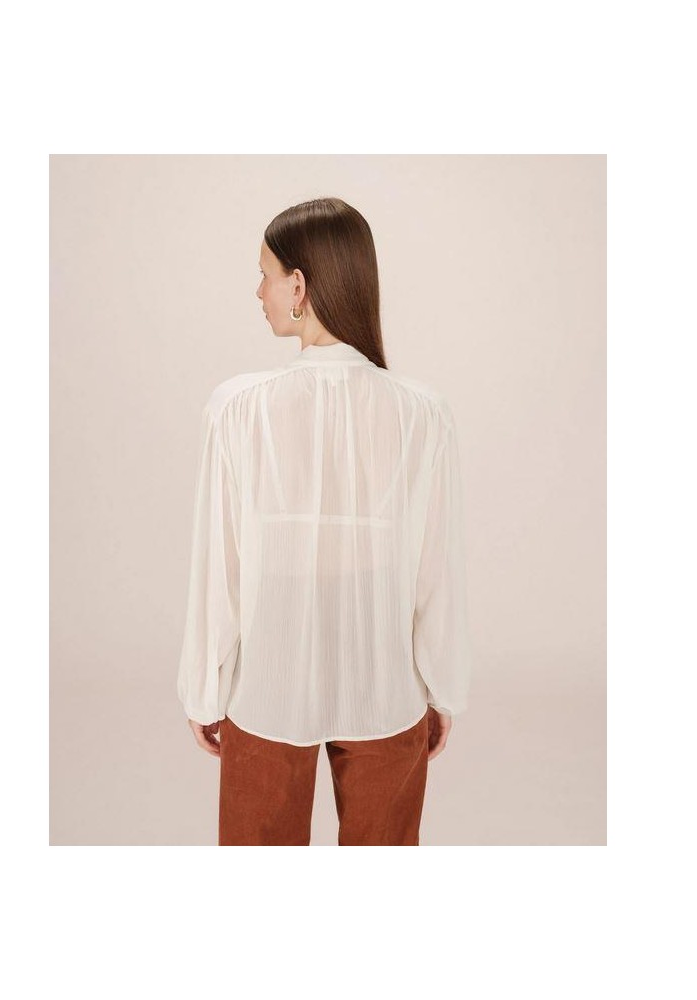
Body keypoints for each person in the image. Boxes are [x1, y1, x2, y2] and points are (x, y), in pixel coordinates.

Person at [177, 196, 472, 845]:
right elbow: (436, 569)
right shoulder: (422, 411)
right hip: (385, 686)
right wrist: (440, 688)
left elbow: (220, 565)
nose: (257, 291)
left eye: (264, 274)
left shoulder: (240, 408)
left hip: (268, 688)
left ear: (299, 285)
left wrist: (204, 689)